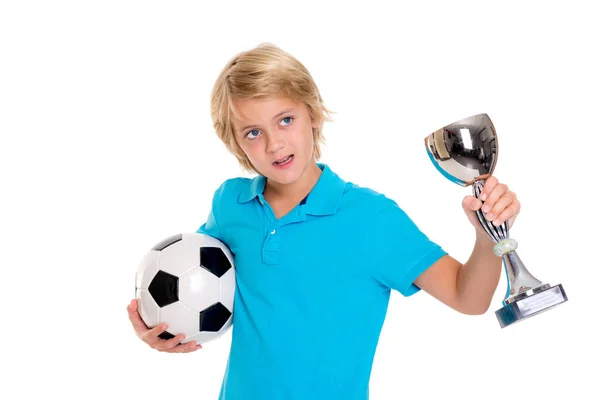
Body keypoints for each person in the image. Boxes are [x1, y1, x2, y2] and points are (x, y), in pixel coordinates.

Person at [127, 43, 521, 399]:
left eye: (285, 120)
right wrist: (161, 329)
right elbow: (192, 283)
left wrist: (486, 237)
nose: (274, 144)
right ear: (235, 143)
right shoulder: (231, 205)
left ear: (312, 115)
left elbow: (467, 298)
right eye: (252, 132)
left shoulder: (370, 218)